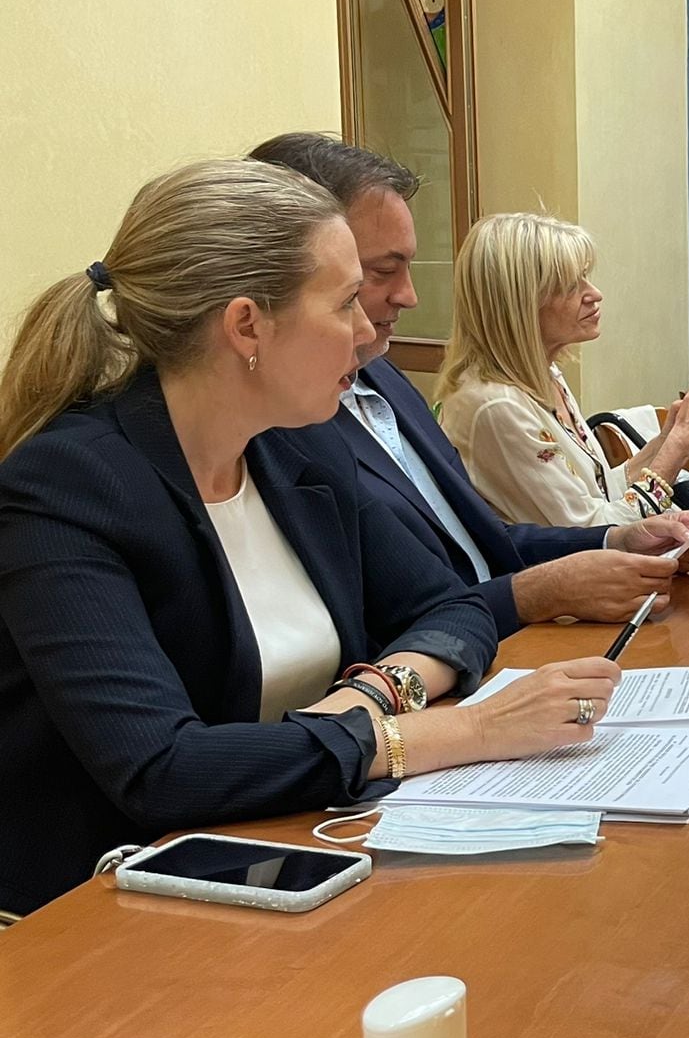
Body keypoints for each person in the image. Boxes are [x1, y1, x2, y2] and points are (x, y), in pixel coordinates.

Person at [0, 160, 622, 917]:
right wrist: (457, 730)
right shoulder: (68, 484)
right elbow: (163, 770)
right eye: (343, 304)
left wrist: (374, 692)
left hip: (306, 852)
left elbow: (456, 609)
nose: (366, 334)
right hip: (110, 908)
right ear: (246, 326)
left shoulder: (300, 446)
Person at [250, 134, 689, 639]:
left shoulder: (386, 381)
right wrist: (677, 448)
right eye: (379, 272)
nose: (409, 296)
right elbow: (392, 611)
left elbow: (480, 540)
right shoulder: (287, 419)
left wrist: (617, 540)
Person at [438, 212, 689, 527]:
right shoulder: (496, 405)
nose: (595, 294)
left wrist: (669, 437)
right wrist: (681, 447)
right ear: (519, 302)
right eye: (572, 285)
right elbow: (596, 533)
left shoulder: (545, 375)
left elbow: (599, 493)